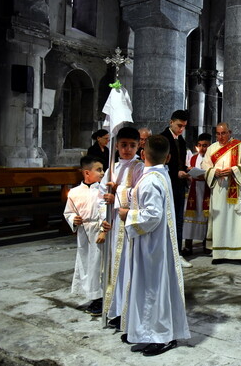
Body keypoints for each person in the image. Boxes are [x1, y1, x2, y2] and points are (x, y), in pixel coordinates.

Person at [119, 135, 190, 356]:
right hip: (156, 243)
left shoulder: (150, 180)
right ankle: (144, 332)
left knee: (152, 289)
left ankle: (161, 336)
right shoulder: (161, 175)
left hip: (152, 245)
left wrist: (127, 215)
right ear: (168, 158)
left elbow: (152, 216)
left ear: (142, 154)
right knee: (148, 288)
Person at [100, 127, 145, 327]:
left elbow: (140, 194)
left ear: (138, 146)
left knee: (126, 269)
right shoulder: (112, 167)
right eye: (123, 145)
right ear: (116, 145)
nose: (127, 149)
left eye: (132, 145)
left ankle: (127, 311)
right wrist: (103, 218)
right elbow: (100, 195)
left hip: (128, 225)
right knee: (113, 270)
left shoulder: (139, 167)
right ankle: (114, 309)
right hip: (114, 224)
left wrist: (117, 194)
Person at [63, 155, 110, 317]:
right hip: (84, 233)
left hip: (99, 231)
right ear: (86, 173)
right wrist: (73, 219)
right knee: (87, 264)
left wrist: (104, 230)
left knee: (99, 265)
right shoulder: (74, 192)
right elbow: (68, 212)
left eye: (103, 169)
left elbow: (107, 211)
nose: (103, 173)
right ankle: (93, 296)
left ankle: (101, 297)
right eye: (98, 170)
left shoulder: (103, 191)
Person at [202, 122, 241, 263]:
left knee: (237, 220)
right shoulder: (212, 148)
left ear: (229, 132)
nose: (220, 136)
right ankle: (220, 253)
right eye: (217, 134)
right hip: (219, 189)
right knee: (219, 219)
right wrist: (214, 172)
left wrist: (233, 170)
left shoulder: (240, 146)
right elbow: (204, 165)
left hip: (236, 188)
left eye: (223, 133)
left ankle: (239, 254)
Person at [160, 110, 189, 258]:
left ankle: (177, 253)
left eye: (184, 126)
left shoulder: (181, 140)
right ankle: (167, 253)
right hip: (167, 184)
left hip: (179, 185)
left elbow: (180, 162)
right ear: (171, 122)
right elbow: (159, 163)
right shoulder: (162, 138)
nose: (181, 129)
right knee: (167, 220)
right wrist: (175, 173)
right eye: (179, 125)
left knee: (178, 220)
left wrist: (186, 170)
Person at [183, 133, 212, 256]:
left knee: (206, 217)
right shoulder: (193, 158)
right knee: (191, 217)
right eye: (199, 145)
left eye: (205, 145)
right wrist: (189, 174)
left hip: (206, 190)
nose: (202, 148)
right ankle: (188, 246)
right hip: (194, 191)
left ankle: (206, 244)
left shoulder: (212, 158)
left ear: (210, 146)